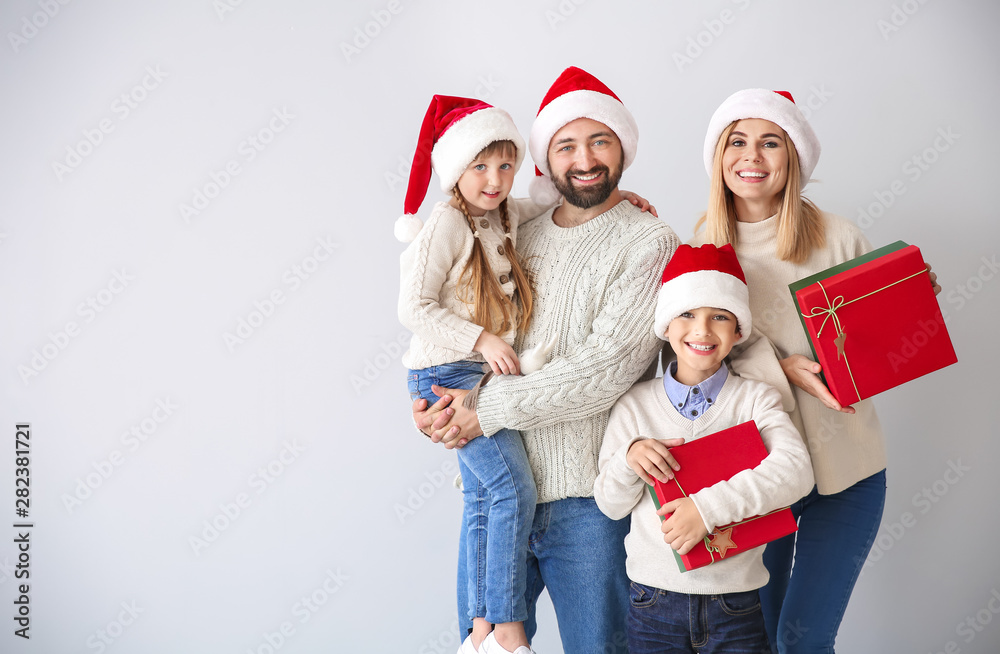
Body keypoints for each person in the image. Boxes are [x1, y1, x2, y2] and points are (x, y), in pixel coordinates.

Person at [412, 67, 680, 653]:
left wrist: (482, 408)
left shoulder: (649, 241)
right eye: (566, 146)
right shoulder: (514, 230)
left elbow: (604, 369)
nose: (584, 159)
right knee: (483, 648)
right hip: (497, 487)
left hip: (586, 501)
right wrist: (437, 404)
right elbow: (454, 316)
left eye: (599, 141)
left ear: (623, 149)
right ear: (545, 159)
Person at [691, 88, 940, 653]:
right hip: (759, 472)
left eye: (770, 142)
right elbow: (691, 352)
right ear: (719, 155)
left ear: (793, 156)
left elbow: (884, 348)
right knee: (758, 639)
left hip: (846, 472)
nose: (751, 156)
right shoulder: (703, 240)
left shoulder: (840, 237)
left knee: (803, 643)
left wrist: (912, 304)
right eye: (737, 141)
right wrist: (781, 366)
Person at [594, 242, 814, 653]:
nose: (702, 330)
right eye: (687, 314)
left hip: (737, 606)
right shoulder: (634, 406)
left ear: (738, 331)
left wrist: (705, 511)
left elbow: (796, 472)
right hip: (651, 603)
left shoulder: (756, 400)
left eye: (719, 317)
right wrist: (628, 461)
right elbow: (610, 505)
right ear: (666, 325)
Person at [396, 95, 544, 654]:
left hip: (472, 372)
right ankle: (506, 627)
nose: (495, 179)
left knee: (484, 498)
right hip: (445, 371)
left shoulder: (501, 213)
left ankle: (479, 632)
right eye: (480, 166)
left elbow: (543, 205)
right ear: (456, 169)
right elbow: (413, 308)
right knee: (512, 489)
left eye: (506, 165)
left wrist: (621, 197)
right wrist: (480, 338)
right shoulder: (448, 224)